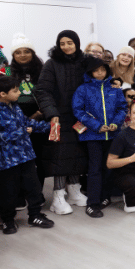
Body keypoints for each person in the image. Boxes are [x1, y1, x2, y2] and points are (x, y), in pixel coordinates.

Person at [0, 75, 54, 234]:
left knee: (34, 187)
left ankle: (35, 215)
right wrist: (20, 133)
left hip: (26, 156)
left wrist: (49, 126)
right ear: (3, 94)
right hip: (6, 161)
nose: (19, 93)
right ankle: (8, 220)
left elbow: (27, 123)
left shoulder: (15, 107)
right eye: (15, 90)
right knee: (9, 192)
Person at [35, 30, 89, 210]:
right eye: (62, 43)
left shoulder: (85, 62)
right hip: (58, 118)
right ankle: (58, 196)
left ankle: (74, 190)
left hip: (80, 117)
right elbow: (42, 90)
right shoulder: (52, 63)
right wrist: (51, 113)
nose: (66, 46)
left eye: (69, 43)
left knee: (79, 152)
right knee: (59, 154)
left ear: (77, 43)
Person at [71, 57, 127, 218]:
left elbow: (122, 108)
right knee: (94, 169)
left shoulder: (114, 89)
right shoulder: (83, 89)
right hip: (93, 136)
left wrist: (116, 123)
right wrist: (96, 126)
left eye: (103, 69)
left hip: (113, 135)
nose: (100, 73)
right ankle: (93, 203)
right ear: (90, 72)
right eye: (96, 70)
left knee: (109, 167)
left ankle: (105, 197)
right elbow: (78, 111)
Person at [4, 33, 45, 120]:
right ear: (13, 56)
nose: (22, 55)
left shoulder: (43, 70)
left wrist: (40, 112)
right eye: (18, 53)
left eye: (27, 51)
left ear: (33, 53)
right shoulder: (6, 71)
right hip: (14, 114)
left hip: (41, 113)